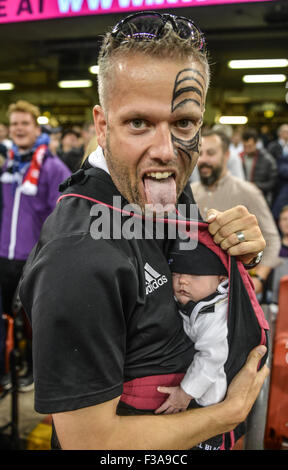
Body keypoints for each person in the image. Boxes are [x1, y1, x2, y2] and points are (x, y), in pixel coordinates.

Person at [19, 12, 268, 450]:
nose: (165, 151)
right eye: (139, 123)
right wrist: (227, 415)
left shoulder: (163, 192)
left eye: (183, 123)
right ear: (101, 126)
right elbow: (90, 444)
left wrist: (234, 252)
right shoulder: (77, 256)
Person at [0, 100, 71, 390]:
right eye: (14, 123)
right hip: (5, 255)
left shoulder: (53, 167)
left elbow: (65, 214)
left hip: (35, 257)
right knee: (5, 321)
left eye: (24, 123)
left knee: (35, 322)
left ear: (36, 127)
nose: (19, 128)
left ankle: (35, 373)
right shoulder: (8, 166)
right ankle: (6, 371)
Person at [191, 129, 281, 295]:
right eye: (200, 153)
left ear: (226, 156)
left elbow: (272, 239)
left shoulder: (248, 192)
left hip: (235, 294)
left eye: (210, 153)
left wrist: (259, 279)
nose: (203, 160)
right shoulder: (188, 193)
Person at [155, 241, 229, 416]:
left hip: (212, 401)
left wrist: (185, 393)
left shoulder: (216, 314)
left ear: (222, 280)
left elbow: (212, 357)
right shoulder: (197, 302)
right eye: (176, 273)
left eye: (195, 275)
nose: (182, 280)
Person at [241, 128, 277, 206]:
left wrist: (255, 185)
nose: (246, 149)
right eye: (244, 146)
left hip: (261, 199)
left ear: (256, 143)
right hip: (243, 198)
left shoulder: (267, 160)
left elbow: (273, 182)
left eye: (249, 146)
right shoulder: (240, 158)